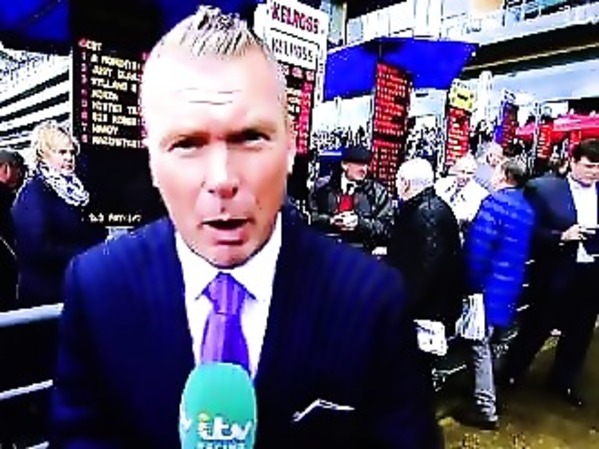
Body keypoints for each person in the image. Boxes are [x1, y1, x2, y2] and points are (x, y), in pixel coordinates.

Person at [51, 6, 442, 449]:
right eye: (187, 143)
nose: (222, 178)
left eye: (250, 137)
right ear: (152, 161)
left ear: (290, 146)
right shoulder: (98, 288)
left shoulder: (371, 299)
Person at [502, 139, 599, 408]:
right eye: (589, 166)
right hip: (554, 273)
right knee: (536, 328)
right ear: (572, 162)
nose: (594, 172)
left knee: (579, 333)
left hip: (591, 275)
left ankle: (563, 381)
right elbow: (527, 231)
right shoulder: (544, 189)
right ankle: (511, 374)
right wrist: (561, 236)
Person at [458, 158, 534, 430]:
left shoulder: (493, 203)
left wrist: (470, 285)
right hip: (510, 286)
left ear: (504, 175)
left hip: (488, 286)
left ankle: (485, 409)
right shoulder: (526, 207)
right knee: (496, 345)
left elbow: (478, 250)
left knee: (479, 344)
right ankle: (491, 393)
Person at [11, 121, 106, 307]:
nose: (69, 158)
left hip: (76, 289)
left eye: (71, 152)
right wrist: (89, 253)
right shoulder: (33, 193)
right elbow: (37, 249)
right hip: (45, 297)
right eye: (62, 152)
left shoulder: (77, 193)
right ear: (43, 155)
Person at [388, 158, 464, 333]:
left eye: (398, 179)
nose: (395, 184)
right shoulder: (429, 207)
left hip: (428, 312)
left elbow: (425, 268)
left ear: (406, 183)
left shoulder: (424, 215)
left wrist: (402, 305)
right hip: (434, 304)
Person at [309, 145, 393, 252]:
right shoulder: (322, 187)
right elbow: (309, 217)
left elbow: (386, 228)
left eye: (366, 165)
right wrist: (331, 220)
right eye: (359, 164)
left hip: (361, 252)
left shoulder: (378, 193)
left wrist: (359, 223)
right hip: (325, 248)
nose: (364, 169)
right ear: (344, 165)